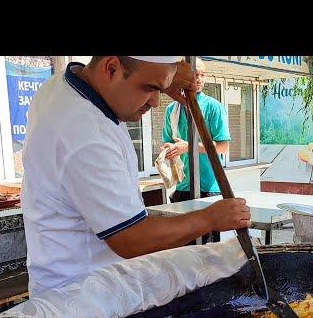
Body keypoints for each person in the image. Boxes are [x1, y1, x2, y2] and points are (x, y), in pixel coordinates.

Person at [21, 56, 251, 297]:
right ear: (111, 68)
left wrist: (161, 78)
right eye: (149, 88)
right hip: (81, 298)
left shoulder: (61, 87)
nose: (154, 102)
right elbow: (131, 239)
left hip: (90, 284)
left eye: (160, 89)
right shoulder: (85, 132)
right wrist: (210, 218)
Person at [161, 58, 229, 204]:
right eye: (195, 74)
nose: (199, 79)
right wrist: (169, 149)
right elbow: (167, 142)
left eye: (202, 75)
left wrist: (188, 147)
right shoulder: (171, 110)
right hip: (181, 186)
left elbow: (223, 147)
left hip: (209, 187)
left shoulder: (213, 107)